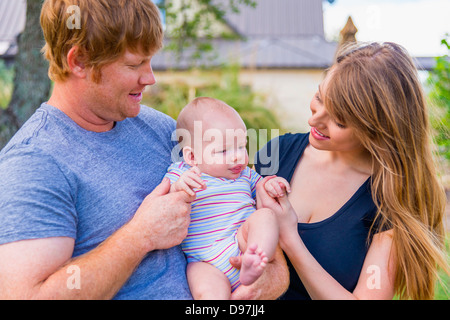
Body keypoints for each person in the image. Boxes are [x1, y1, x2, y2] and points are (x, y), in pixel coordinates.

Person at [0, 0, 288, 300]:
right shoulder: (32, 164)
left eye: (149, 61)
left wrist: (266, 279)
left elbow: (242, 208)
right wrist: (140, 237)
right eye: (135, 64)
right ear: (80, 62)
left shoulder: (160, 129)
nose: (150, 78)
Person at [255, 42, 449, 300]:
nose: (314, 119)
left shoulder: (390, 203)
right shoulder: (277, 153)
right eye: (319, 97)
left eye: (339, 121)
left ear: (378, 129)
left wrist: (291, 239)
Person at [165, 97, 290, 299]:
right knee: (206, 289)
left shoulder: (245, 175)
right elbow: (166, 204)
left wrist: (271, 185)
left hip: (241, 243)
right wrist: (179, 189)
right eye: (224, 150)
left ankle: (256, 258)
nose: (237, 157)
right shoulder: (182, 174)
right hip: (204, 262)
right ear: (192, 157)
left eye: (241, 147)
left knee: (265, 216)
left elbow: (262, 187)